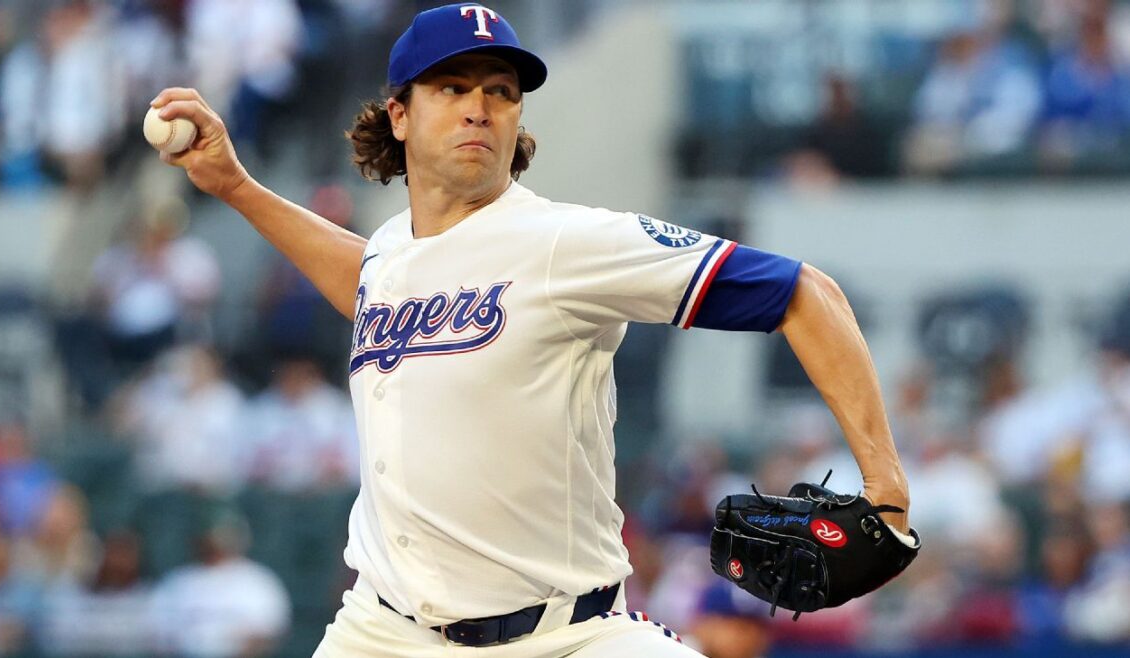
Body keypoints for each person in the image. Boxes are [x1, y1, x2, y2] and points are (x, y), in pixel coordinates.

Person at [149, 3, 912, 656]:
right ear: (400, 115)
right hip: (383, 633)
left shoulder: (565, 244)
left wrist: (886, 492)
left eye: (501, 91)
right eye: (453, 87)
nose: (480, 106)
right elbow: (371, 282)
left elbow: (805, 293)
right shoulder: (391, 252)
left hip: (565, 638)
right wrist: (236, 186)